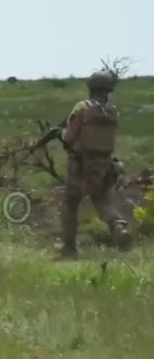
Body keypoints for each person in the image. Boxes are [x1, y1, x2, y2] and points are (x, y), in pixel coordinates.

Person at [56, 70, 131, 258]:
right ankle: (118, 227)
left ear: (91, 88)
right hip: (105, 164)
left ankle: (69, 248)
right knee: (102, 200)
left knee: (71, 205)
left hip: (81, 164)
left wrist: (61, 134)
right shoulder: (112, 111)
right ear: (108, 90)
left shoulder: (83, 107)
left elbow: (69, 137)